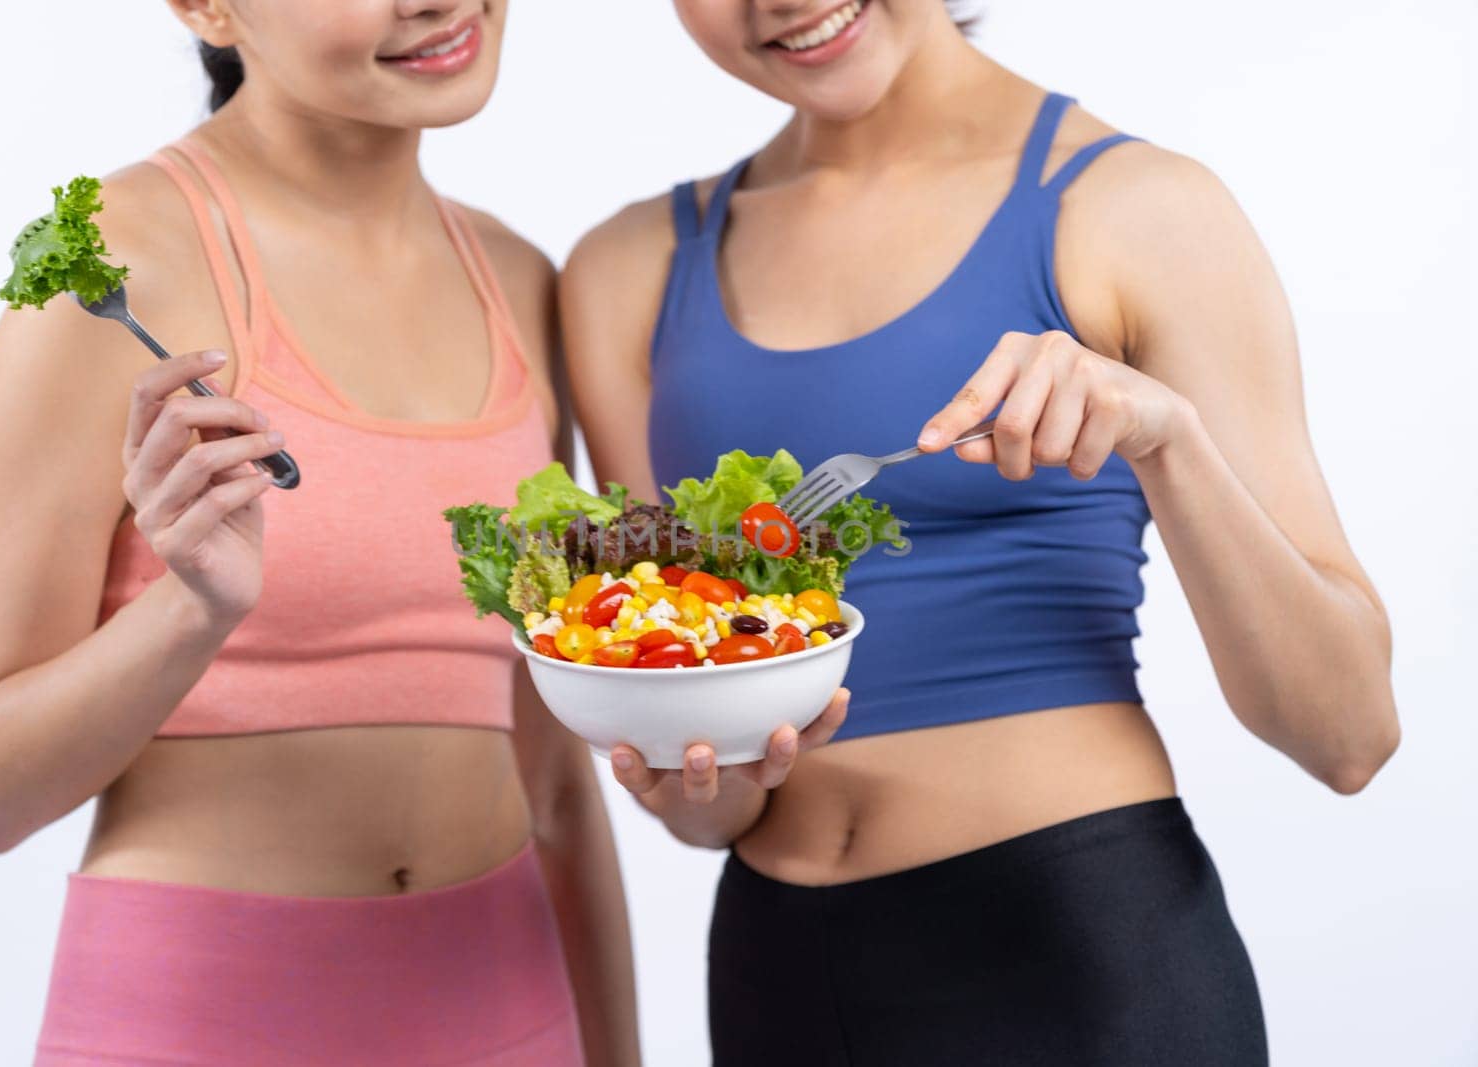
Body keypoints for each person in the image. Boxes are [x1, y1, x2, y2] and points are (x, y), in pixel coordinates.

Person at [560, 1, 1399, 1063]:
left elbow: (1348, 735)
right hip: (777, 970)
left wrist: (1168, 443)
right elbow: (708, 810)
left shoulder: (1136, 208)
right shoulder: (626, 267)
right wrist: (694, 776)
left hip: (1075, 954)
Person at [0, 1, 637, 1063]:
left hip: (509, 1004)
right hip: (199, 1018)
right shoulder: (108, 279)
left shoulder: (518, 277)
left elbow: (552, 779)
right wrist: (192, 608)